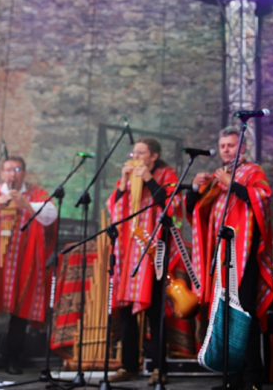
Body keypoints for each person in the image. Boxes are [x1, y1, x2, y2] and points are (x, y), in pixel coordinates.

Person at [186, 127, 273, 390]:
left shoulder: (253, 172)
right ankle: (232, 380)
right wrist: (194, 187)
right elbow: (194, 211)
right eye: (222, 145)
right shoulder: (216, 178)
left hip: (243, 257)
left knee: (243, 316)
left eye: (231, 145)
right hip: (220, 257)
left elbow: (262, 199)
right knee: (224, 317)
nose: (226, 149)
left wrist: (231, 183)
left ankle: (252, 379)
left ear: (242, 148)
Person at [0, 156, 58, 375]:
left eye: (16, 170)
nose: (12, 174)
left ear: (24, 173)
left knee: (20, 310)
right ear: (2, 173)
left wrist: (25, 203)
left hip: (23, 262)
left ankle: (13, 360)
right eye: (8, 170)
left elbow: (51, 214)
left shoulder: (35, 193)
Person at [106, 137, 179, 384]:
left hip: (153, 251)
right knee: (126, 310)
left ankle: (160, 368)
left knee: (155, 312)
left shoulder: (167, 174)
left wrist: (148, 179)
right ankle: (129, 366)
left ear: (153, 156)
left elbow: (171, 206)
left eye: (140, 153)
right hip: (128, 251)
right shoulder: (127, 179)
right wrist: (124, 183)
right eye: (133, 153)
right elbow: (114, 210)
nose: (135, 157)